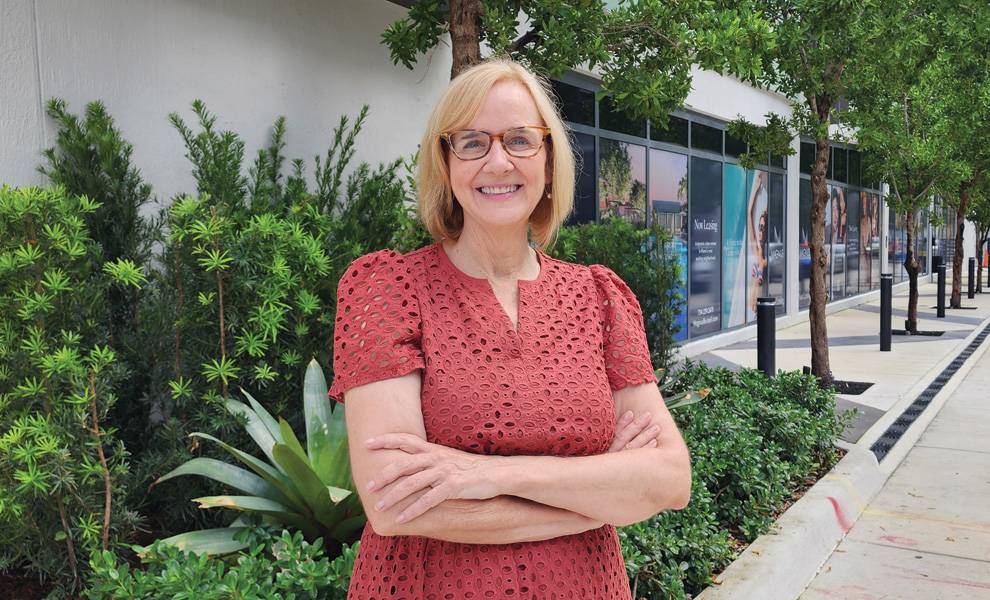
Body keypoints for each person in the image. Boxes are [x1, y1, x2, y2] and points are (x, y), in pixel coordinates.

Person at [328, 58, 691, 599]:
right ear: (445, 163)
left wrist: (490, 475)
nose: (498, 161)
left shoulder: (599, 299)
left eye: (520, 139)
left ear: (548, 159)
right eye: (472, 142)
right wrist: (598, 491)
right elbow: (394, 503)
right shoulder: (389, 290)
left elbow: (668, 480)